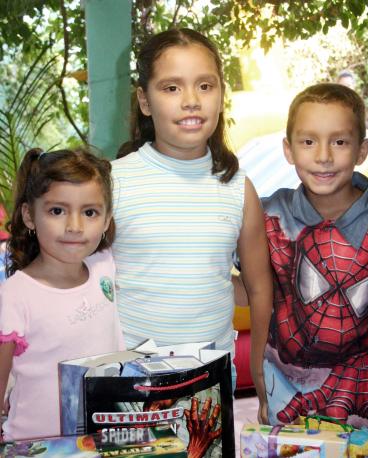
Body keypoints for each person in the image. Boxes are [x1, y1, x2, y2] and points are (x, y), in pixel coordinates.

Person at [112, 28, 273, 420]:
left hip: (209, 387)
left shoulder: (237, 188)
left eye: (205, 85)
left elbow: (259, 289)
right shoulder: (112, 182)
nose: (191, 101)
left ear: (221, 94)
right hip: (124, 385)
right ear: (144, 101)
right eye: (171, 88)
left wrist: (264, 384)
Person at [261, 83, 368, 433]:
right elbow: (233, 282)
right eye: (308, 141)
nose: (323, 155)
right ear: (288, 149)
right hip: (284, 410)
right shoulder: (267, 215)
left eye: (339, 141)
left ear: (362, 150)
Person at [0, 148, 125, 441]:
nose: (74, 226)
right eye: (57, 211)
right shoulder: (15, 296)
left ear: (106, 220)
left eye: (90, 212)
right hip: (36, 444)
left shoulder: (104, 265)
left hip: (105, 436)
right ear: (30, 216)